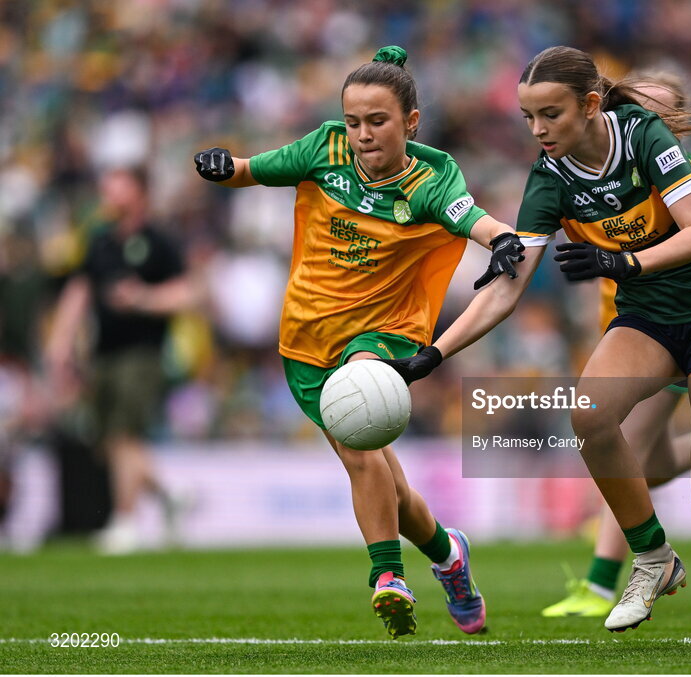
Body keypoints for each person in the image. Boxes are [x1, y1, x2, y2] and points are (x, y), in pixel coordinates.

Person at [385, 46, 691, 648]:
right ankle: (653, 558)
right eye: (528, 118)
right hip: (650, 316)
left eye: (550, 114)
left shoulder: (644, 136)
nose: (538, 130)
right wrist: (432, 355)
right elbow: (507, 287)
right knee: (589, 415)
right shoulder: (548, 179)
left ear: (591, 105)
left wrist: (620, 260)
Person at [192, 46, 522, 639]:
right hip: (304, 337)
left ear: (410, 122)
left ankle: (386, 577)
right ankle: (448, 555)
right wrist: (223, 165)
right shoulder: (325, 148)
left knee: (358, 446)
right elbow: (251, 169)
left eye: (378, 121)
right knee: (391, 486)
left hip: (382, 331)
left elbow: (467, 215)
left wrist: (500, 238)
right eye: (354, 122)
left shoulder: (430, 176)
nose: (363, 134)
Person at [540, 72, 691, 619]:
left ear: (675, 123)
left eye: (658, 113)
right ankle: (626, 570)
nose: (643, 122)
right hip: (641, 324)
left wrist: (626, 260)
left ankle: (617, 580)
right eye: (636, 110)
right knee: (614, 443)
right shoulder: (593, 171)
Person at [45, 167, 195, 554]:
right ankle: (170, 494)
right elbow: (79, 292)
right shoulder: (100, 241)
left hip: (142, 353)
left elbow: (186, 293)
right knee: (109, 440)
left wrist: (142, 299)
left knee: (125, 434)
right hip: (103, 354)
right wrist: (60, 342)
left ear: (139, 191)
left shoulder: (160, 239)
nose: (107, 191)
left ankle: (125, 522)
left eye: (117, 184)